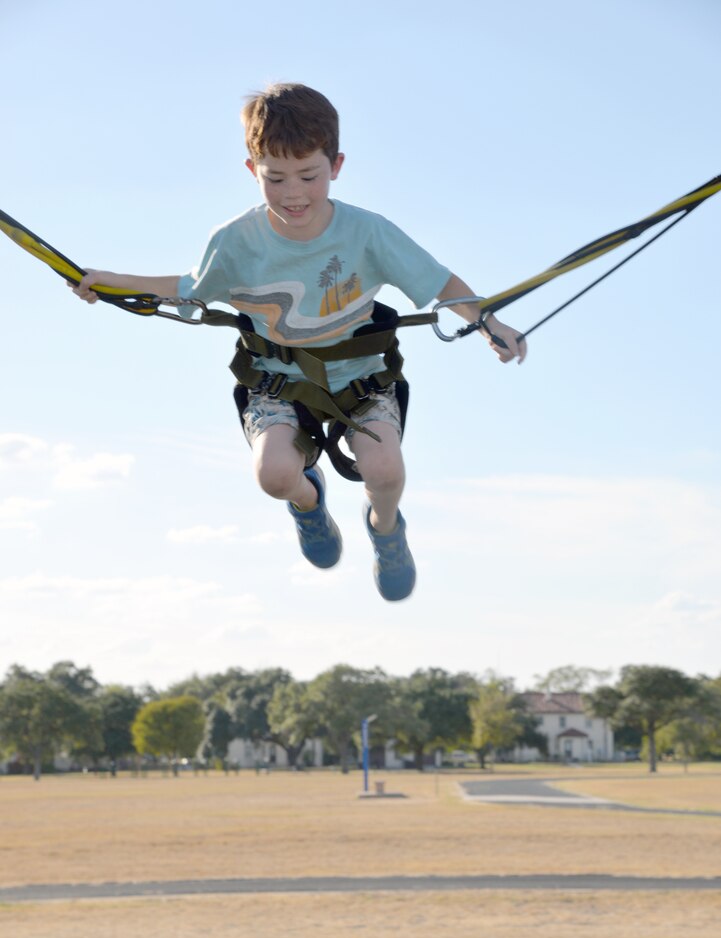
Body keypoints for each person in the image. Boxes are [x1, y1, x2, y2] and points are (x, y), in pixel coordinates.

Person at [71, 83, 526, 602]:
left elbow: (440, 284)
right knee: (273, 475)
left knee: (385, 470)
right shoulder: (236, 242)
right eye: (276, 177)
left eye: (309, 175)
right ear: (252, 170)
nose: (293, 193)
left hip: (361, 379)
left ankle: (385, 526)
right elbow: (184, 289)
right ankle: (310, 509)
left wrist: (490, 322)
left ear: (336, 165)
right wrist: (109, 282)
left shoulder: (368, 233)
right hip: (278, 383)